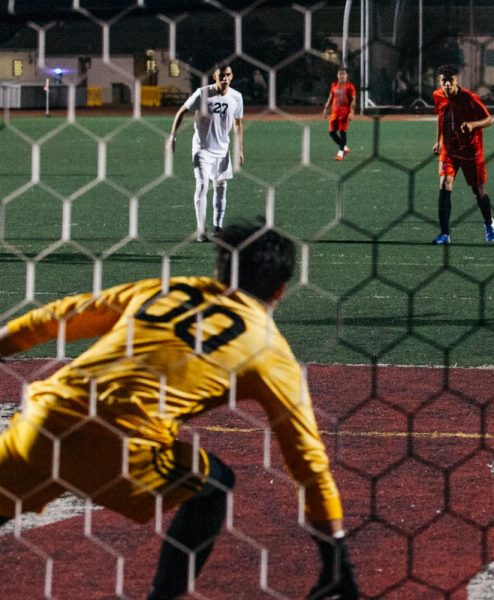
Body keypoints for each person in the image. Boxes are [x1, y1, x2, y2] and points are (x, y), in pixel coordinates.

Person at [0, 221, 360, 600]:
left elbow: (62, 315)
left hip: (42, 420)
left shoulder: (169, 289)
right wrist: (337, 562)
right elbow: (308, 461)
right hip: (121, 450)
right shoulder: (269, 349)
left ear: (219, 271)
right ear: (281, 289)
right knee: (214, 486)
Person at [168, 64, 244, 243]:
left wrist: (239, 149)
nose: (225, 79)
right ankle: (201, 230)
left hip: (222, 150)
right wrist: (172, 137)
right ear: (214, 77)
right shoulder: (202, 94)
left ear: (232, 76)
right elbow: (181, 112)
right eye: (221, 76)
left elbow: (238, 123)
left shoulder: (236, 97)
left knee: (221, 188)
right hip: (202, 149)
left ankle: (218, 228)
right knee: (202, 186)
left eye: (228, 75)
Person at [431, 64, 494, 245]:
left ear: (457, 80)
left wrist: (472, 125)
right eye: (443, 81)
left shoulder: (470, 98)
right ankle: (444, 234)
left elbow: (489, 119)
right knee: (445, 184)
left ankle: (488, 223)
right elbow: (441, 117)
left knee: (478, 191)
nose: (447, 84)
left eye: (450, 80)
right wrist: (439, 141)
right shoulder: (438, 96)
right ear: (439, 82)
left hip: (471, 153)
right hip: (450, 152)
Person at [323, 67, 357, 161]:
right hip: (335, 112)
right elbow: (330, 98)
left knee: (342, 132)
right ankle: (345, 148)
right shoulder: (333, 85)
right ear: (337, 75)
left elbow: (353, 100)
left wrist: (352, 112)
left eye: (344, 74)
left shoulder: (350, 86)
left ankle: (340, 153)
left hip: (344, 112)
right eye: (340, 74)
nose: (342, 75)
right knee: (331, 132)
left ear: (347, 75)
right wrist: (326, 109)